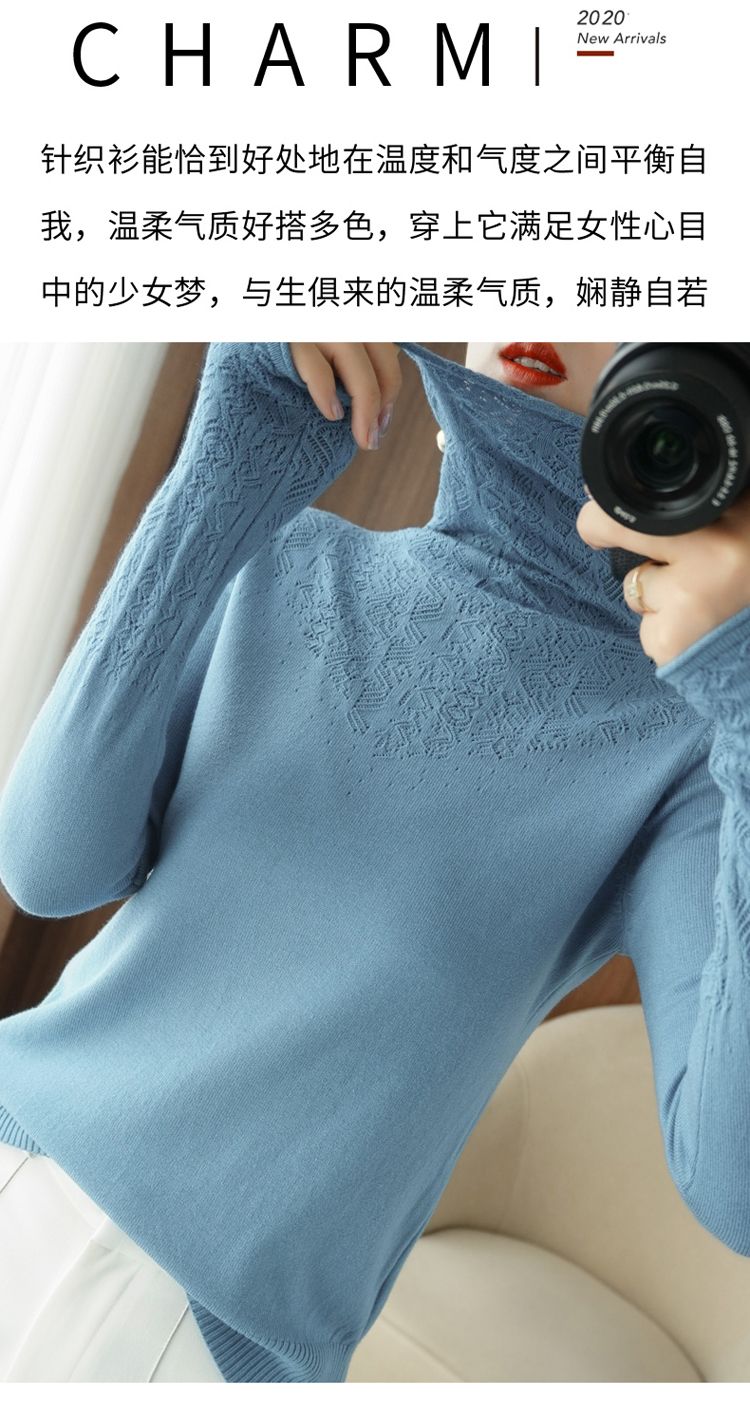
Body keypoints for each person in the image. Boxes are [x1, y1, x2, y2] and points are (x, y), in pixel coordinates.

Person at [0, 340, 749, 1384]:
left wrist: (744, 703)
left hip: (194, 1340)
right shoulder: (292, 553)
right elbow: (50, 867)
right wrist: (227, 458)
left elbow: (734, 1188)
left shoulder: (694, 754)